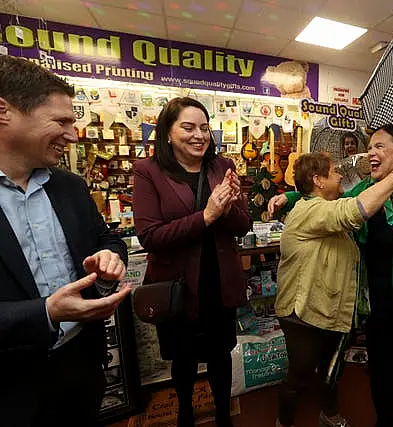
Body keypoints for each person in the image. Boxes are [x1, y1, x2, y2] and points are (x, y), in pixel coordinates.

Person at [270, 124, 393, 427]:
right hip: (381, 313)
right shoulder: (367, 191)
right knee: (382, 381)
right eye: (369, 146)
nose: (370, 154)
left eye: (379, 146)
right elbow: (334, 200)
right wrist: (293, 195)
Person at [0, 55, 130, 426]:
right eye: (61, 121)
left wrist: (109, 259)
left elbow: (107, 240)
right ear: (4, 112)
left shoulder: (70, 187)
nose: (73, 135)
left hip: (80, 369)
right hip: (10, 388)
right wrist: (45, 312)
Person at [275, 149, 393, 427]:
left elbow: (353, 195)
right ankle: (284, 423)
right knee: (300, 374)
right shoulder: (310, 210)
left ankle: (329, 415)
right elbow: (355, 210)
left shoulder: (321, 205)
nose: (340, 175)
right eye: (333, 172)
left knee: (331, 371)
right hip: (303, 311)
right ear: (318, 181)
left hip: (329, 309)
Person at [133, 97, 252, 427]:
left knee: (220, 355)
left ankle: (223, 417)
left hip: (219, 281)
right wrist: (208, 214)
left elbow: (243, 225)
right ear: (167, 133)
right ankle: (185, 413)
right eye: (188, 127)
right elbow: (151, 236)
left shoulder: (222, 167)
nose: (199, 135)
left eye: (204, 127)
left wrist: (228, 210)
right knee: (183, 359)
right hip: (177, 286)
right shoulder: (148, 172)